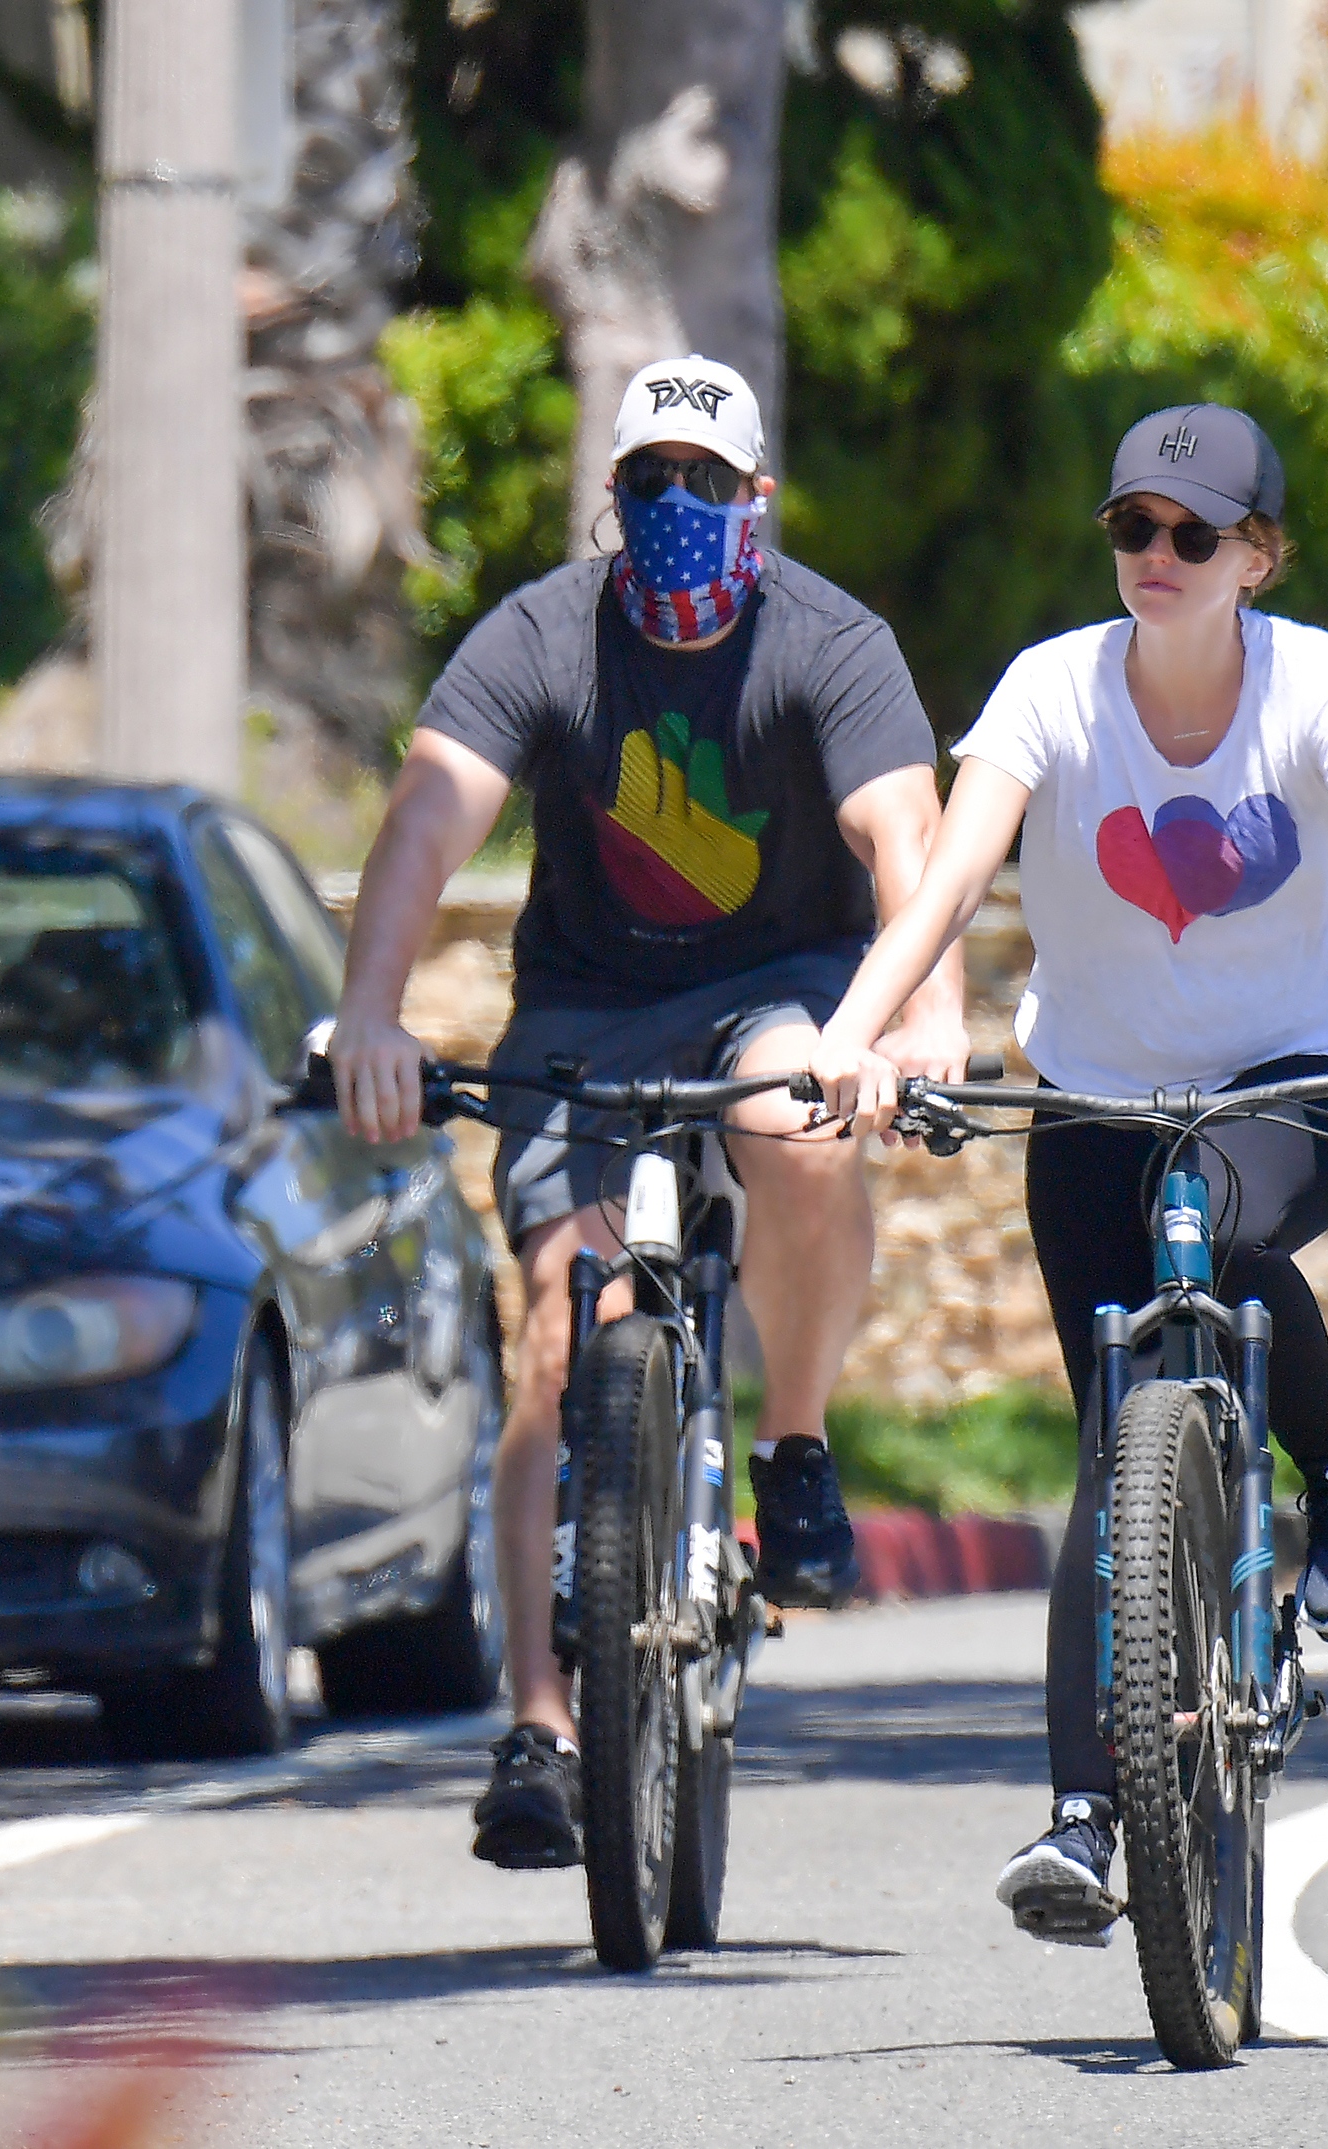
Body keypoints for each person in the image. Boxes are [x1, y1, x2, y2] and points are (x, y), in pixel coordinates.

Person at [806, 403, 1328, 1940]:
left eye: (1192, 533)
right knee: (1106, 1446)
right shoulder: (1051, 691)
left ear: (1256, 557)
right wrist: (853, 1039)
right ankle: (1084, 1816)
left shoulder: (1322, 685)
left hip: (1305, 1074)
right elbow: (944, 883)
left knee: (1222, 1207)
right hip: (1092, 1090)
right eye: (1133, 527)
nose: (1156, 555)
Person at [329, 353, 968, 1870]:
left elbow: (907, 835)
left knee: (800, 1130)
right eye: (647, 481)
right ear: (613, 501)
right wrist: (369, 1012)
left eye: (707, 482)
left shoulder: (832, 640)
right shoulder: (544, 634)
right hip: (589, 1004)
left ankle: (796, 1446)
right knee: (555, 1327)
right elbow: (427, 819)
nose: (676, 506)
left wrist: (924, 1020)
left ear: (760, 500)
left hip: (782, 983)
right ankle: (543, 1724)